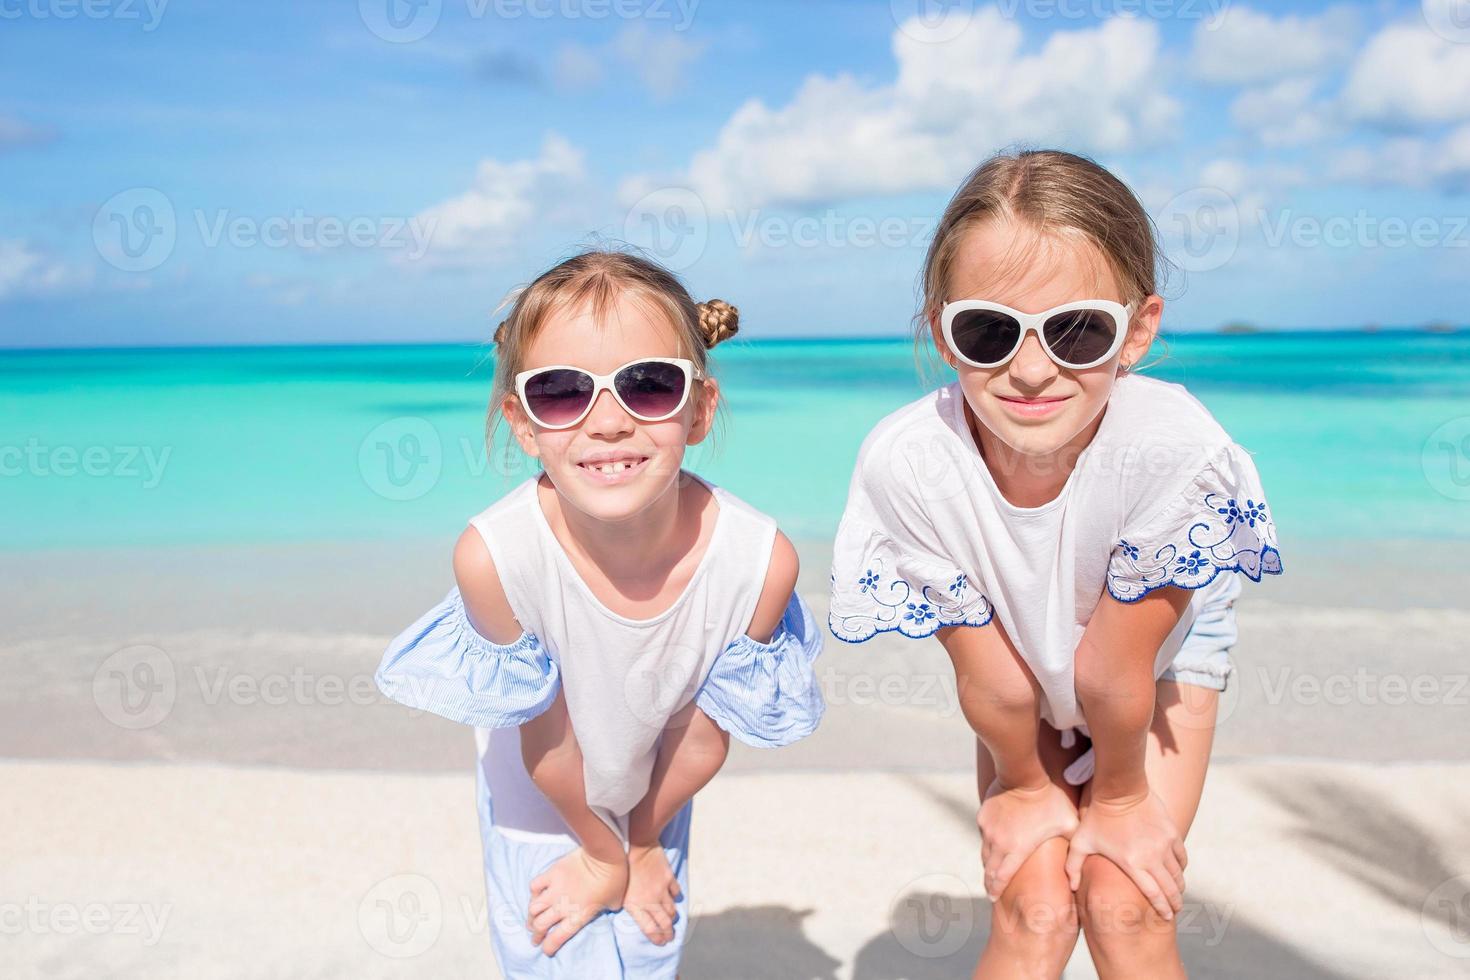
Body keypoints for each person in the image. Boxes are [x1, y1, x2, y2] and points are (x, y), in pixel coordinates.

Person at [828, 149, 1282, 979]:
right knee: (1033, 906)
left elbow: (1115, 669)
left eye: (1077, 330)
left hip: (1162, 659)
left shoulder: (1171, 448)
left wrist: (1119, 798)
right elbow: (995, 681)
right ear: (942, 330)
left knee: (1124, 902)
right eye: (989, 331)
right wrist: (1027, 788)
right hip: (1013, 655)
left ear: (1137, 331)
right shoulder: (909, 461)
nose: (1032, 369)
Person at [377, 249, 825, 978]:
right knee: (559, 956)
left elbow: (699, 737)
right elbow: (546, 749)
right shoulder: (497, 558)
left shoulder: (758, 562)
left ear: (701, 408)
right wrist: (597, 852)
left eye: (649, 386)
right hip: (540, 800)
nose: (608, 423)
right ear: (524, 424)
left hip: (663, 778)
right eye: (562, 392)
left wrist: (639, 847)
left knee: (649, 954)